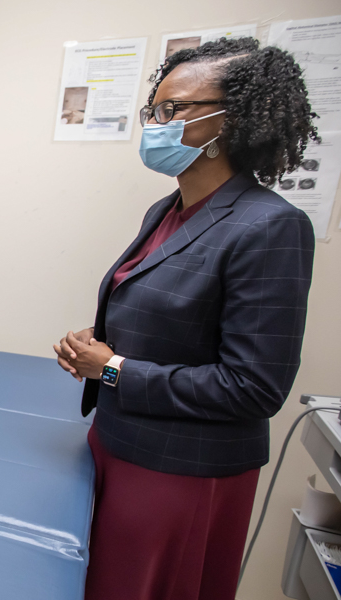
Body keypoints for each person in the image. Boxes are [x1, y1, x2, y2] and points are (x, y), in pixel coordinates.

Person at [53, 38, 317, 600]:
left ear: (232, 120)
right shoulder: (167, 210)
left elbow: (252, 388)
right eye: (154, 109)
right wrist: (94, 349)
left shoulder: (269, 226)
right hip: (120, 443)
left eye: (173, 110)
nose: (156, 122)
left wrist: (115, 368)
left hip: (184, 470)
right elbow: (166, 322)